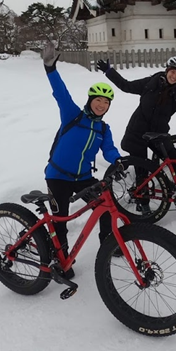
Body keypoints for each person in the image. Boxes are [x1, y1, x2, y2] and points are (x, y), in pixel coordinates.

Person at [97, 54, 176, 212]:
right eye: (173, 72)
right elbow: (126, 86)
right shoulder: (150, 83)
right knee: (141, 168)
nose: (174, 76)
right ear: (167, 70)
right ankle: (143, 203)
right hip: (137, 131)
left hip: (158, 134)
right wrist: (109, 71)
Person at [40, 41, 120, 275]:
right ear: (90, 100)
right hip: (58, 177)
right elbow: (60, 93)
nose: (101, 104)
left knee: (107, 208)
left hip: (84, 178)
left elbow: (110, 150)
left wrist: (118, 161)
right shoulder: (72, 115)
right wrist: (50, 69)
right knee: (60, 219)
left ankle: (108, 243)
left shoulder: (103, 129)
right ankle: (61, 258)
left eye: (106, 102)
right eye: (98, 99)